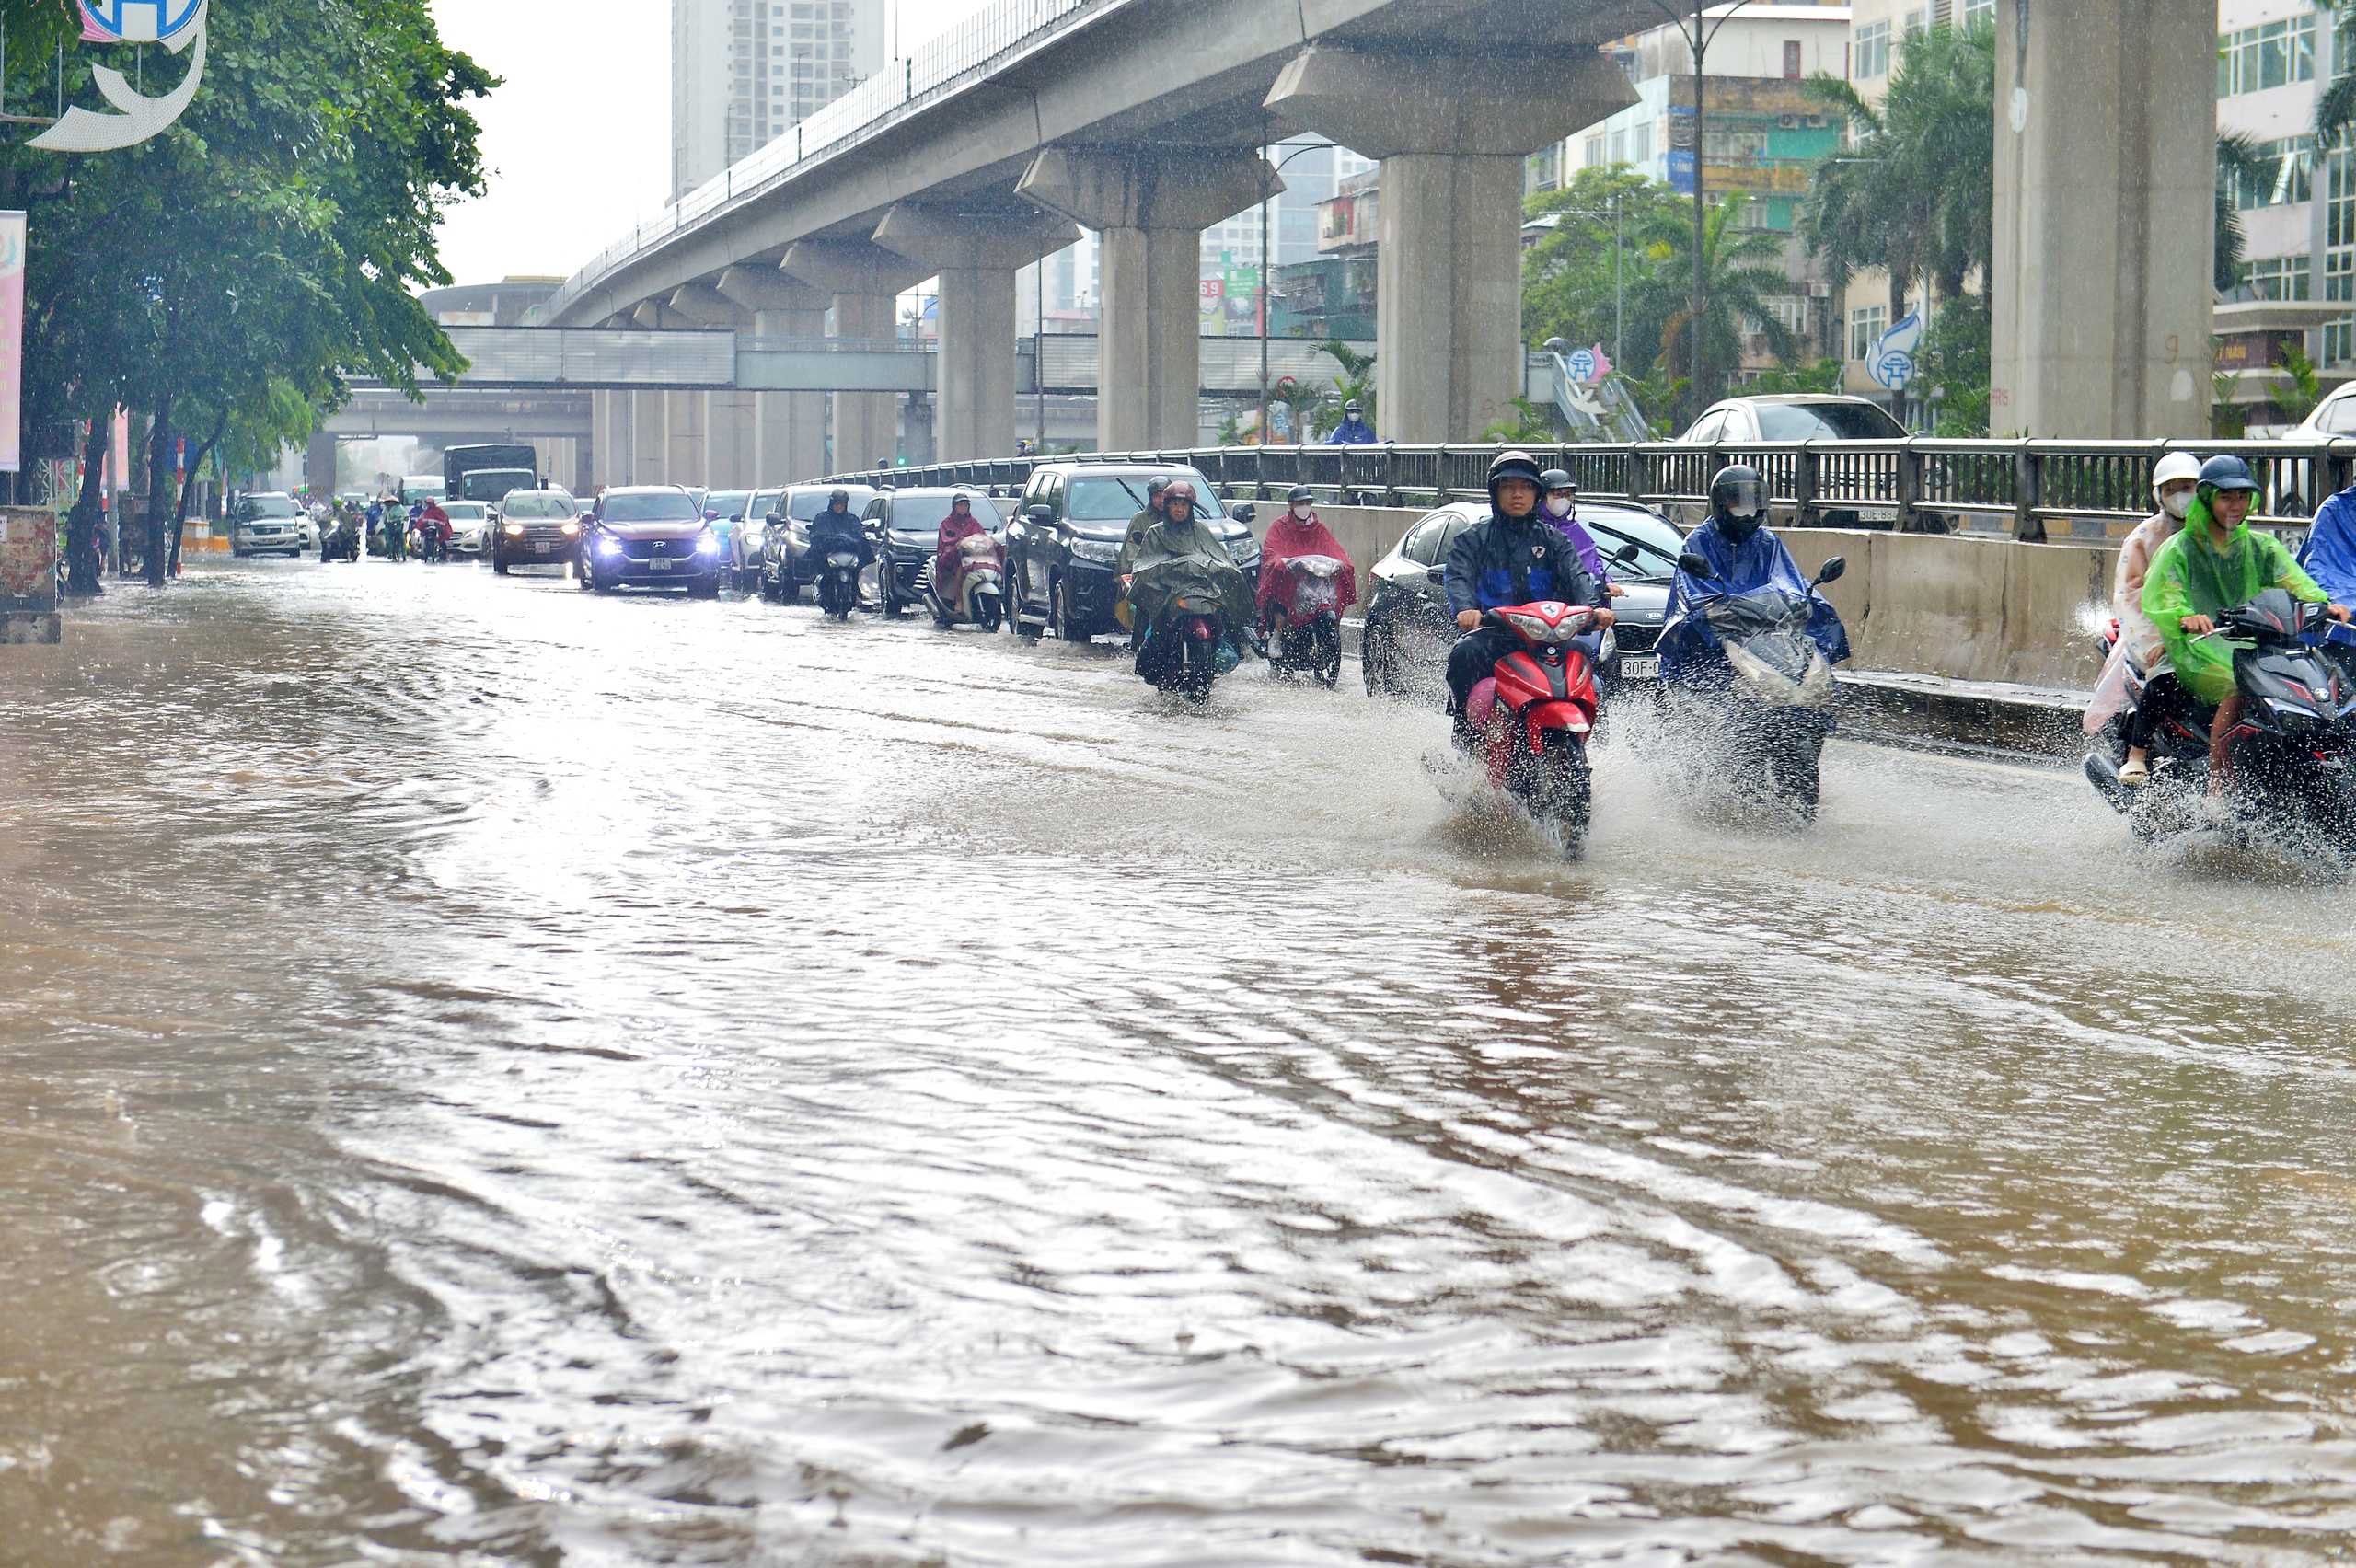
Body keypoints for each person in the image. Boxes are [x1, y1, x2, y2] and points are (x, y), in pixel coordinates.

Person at [2143, 455, 2350, 795]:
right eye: (2226, 497)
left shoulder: (2261, 545)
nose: (2236, 505)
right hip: (2203, 643)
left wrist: (2326, 605)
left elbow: (2294, 580)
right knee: (2236, 688)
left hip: (2257, 640)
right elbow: (2165, 593)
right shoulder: (2179, 548)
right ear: (2208, 498)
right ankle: (2219, 782)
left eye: (2242, 496)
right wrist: (2186, 616)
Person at [1441, 450, 1612, 747]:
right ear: (1495, 493)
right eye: (1508, 486)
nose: (1517, 494)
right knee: (1463, 655)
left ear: (1537, 493)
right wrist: (1467, 609)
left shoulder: (1556, 542)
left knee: (1592, 660)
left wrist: (1595, 610)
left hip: (1549, 637)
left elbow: (1578, 579)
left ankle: (1591, 743)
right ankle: (1466, 741)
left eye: (1526, 487)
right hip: (1496, 636)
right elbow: (1458, 576)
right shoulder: (1473, 539)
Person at [1657, 463, 1850, 687]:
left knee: (1825, 692)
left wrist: (1802, 601)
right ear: (1720, 503)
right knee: (1716, 689)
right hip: (1716, 643)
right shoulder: (1698, 541)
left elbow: (1789, 580)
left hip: (1765, 635)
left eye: (1753, 503)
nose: (1747, 511)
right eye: (1737, 503)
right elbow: (1697, 595)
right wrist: (1715, 607)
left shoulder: (1767, 541)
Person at [2096, 451, 2202, 787]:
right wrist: (2158, 640)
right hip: (2162, 634)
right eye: (2171, 489)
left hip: (2215, 632)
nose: (2180, 495)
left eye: (2188, 486)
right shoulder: (2144, 539)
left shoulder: (2220, 531)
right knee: (2166, 678)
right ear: (2159, 495)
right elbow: (2129, 597)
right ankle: (2137, 755)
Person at [1123, 480, 1260, 674]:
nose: (1179, 509)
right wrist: (1170, 571)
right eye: (1175, 504)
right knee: (1153, 629)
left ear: (1190, 508)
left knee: (1225, 616)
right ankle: (1143, 651)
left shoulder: (1201, 531)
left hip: (1201, 592)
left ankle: (1239, 644)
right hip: (1169, 594)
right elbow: (1145, 565)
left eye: (1184, 505)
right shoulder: (1156, 532)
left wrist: (1219, 571)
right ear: (1167, 505)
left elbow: (1220, 558)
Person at [1256, 485, 1358, 633]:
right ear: (1291, 505)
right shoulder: (1279, 527)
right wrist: (1283, 563)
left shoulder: (1318, 528)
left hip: (1316, 583)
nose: (1304, 507)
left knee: (1331, 600)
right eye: (1299, 504)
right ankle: (1276, 634)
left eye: (1307, 503)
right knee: (1283, 596)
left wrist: (1343, 564)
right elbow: (1271, 553)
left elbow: (1334, 549)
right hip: (1291, 579)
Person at [1538, 469, 1628, 601]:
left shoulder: (1575, 530)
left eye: (1568, 494)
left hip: (1574, 605)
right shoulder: (1532, 529)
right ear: (1542, 497)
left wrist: (1607, 582)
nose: (1564, 499)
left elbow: (1593, 563)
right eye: (1558, 494)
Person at [933, 490, 991, 604]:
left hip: (972, 556)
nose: (963, 507)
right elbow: (947, 539)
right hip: (953, 557)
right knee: (961, 569)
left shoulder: (973, 522)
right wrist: (960, 544)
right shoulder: (947, 522)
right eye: (960, 505)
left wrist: (988, 543)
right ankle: (958, 600)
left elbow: (981, 535)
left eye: (965, 505)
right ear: (954, 507)